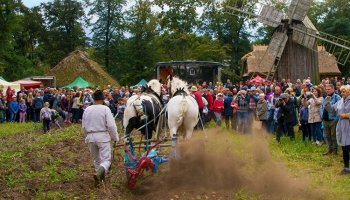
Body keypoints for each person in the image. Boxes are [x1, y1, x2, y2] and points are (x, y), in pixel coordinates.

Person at [82, 90, 119, 185]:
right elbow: (111, 126)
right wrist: (115, 138)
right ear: (103, 99)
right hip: (102, 137)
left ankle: (100, 181)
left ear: (93, 99)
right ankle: (99, 175)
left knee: (97, 160)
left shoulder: (87, 109)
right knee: (106, 161)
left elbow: (83, 127)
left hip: (90, 137)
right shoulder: (105, 109)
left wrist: (87, 137)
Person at [332, 85, 350, 174]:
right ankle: (346, 168)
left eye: (344, 91)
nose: (342, 93)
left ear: (349, 92)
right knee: (344, 147)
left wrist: (347, 115)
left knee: (348, 146)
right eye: (341, 92)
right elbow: (332, 110)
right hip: (342, 125)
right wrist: (327, 105)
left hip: (349, 125)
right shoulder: (340, 102)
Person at [321, 84, 341, 155]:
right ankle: (329, 149)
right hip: (325, 119)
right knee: (327, 135)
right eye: (326, 89)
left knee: (333, 135)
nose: (327, 91)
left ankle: (335, 150)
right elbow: (322, 107)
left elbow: (338, 108)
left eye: (329, 89)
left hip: (333, 119)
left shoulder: (337, 97)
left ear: (333, 89)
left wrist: (336, 119)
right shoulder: (326, 98)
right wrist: (322, 116)